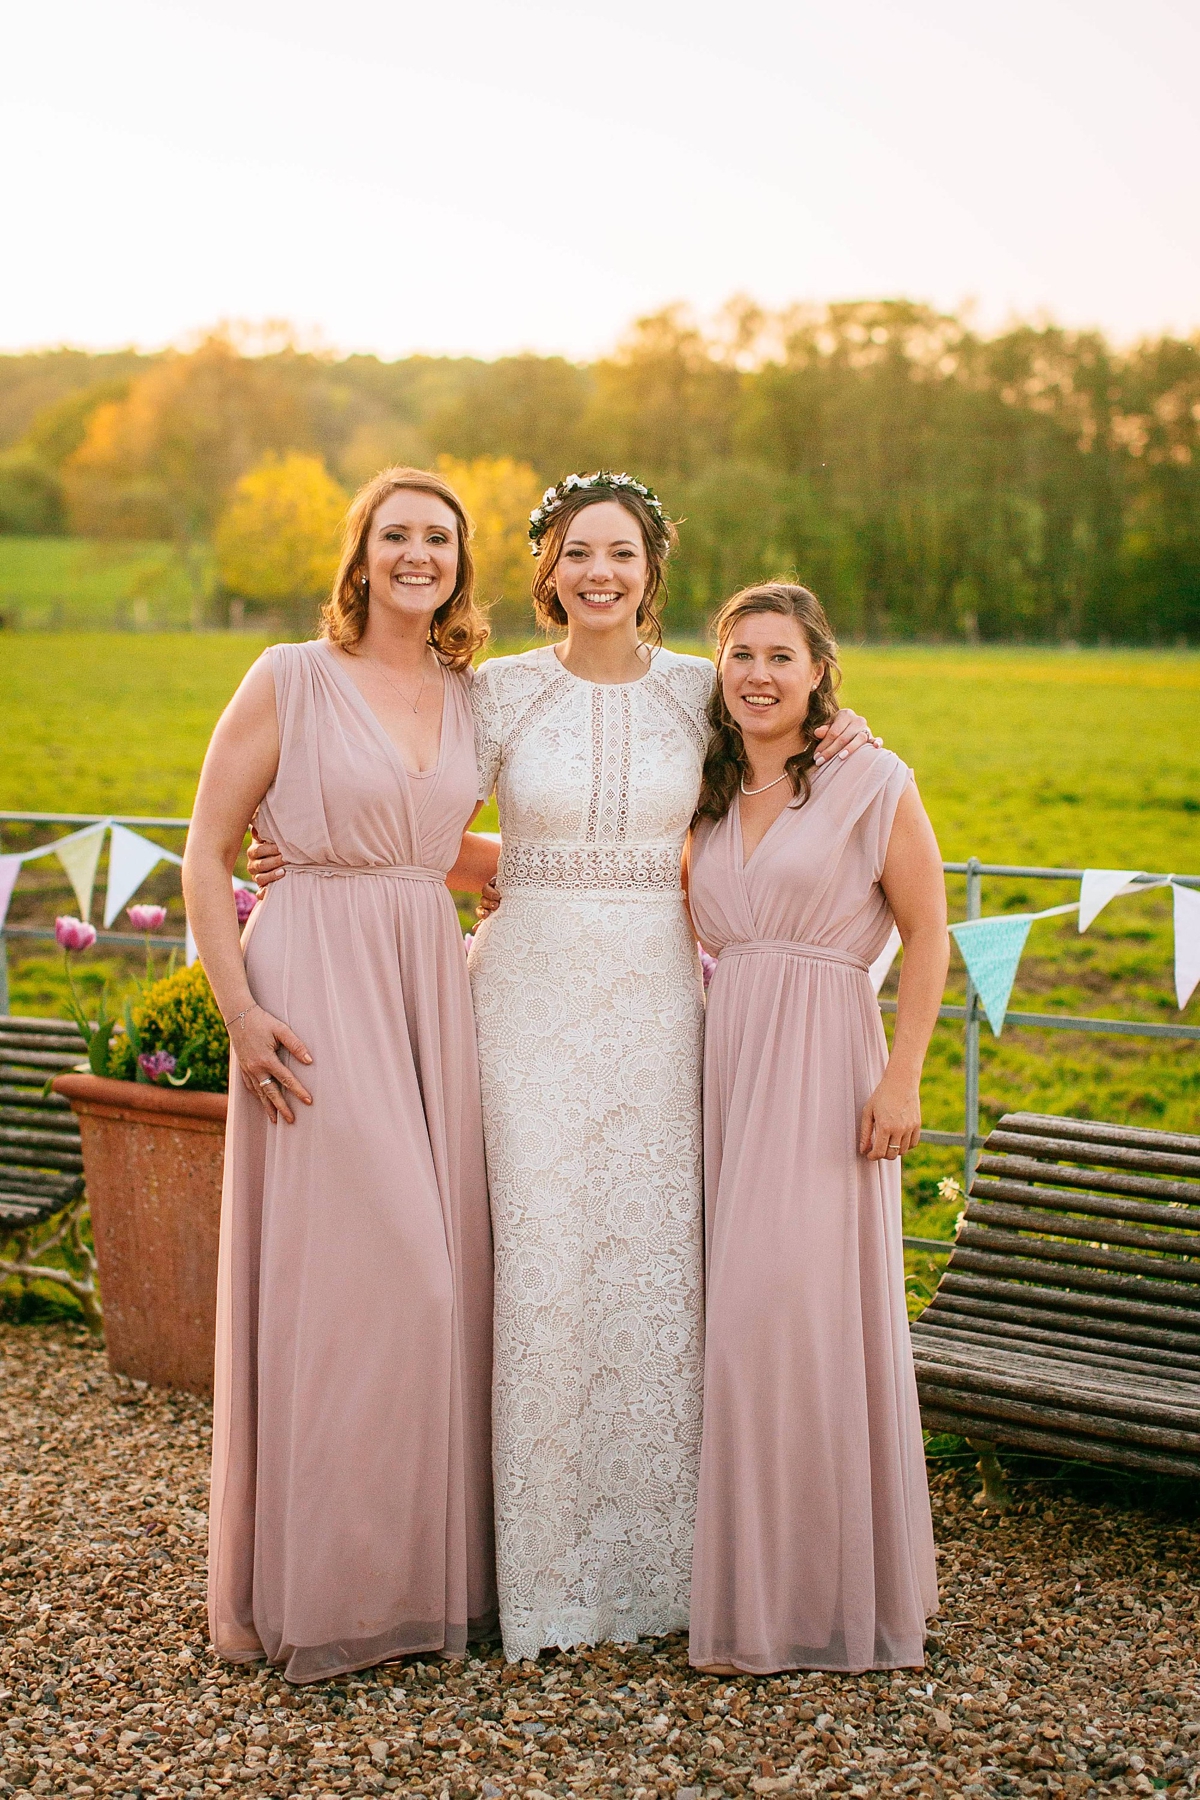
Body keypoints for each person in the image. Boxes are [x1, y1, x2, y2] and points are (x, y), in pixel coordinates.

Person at [467, 474, 878, 1663]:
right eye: (578, 553)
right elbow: (415, 808)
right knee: (541, 1264)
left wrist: (856, 736)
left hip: (655, 999)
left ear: (653, 572)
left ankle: (663, 1572)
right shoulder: (495, 693)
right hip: (526, 996)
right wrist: (316, 843)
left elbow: (808, 745)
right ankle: (541, 1581)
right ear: (548, 569)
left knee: (655, 1264)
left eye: (623, 554)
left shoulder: (703, 691)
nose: (601, 573)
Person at [183, 466, 500, 1684]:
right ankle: (319, 1590)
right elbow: (210, 849)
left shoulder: (477, 695)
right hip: (311, 986)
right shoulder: (286, 677)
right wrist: (241, 1010)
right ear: (359, 554)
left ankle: (413, 1588)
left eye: (440, 537)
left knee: (440, 1287)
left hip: (428, 979)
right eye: (397, 534)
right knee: (384, 1284)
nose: (419, 553)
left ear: (459, 565)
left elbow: (445, 842)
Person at [684, 582, 947, 1676]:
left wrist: (903, 1078)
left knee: (789, 1321)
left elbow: (929, 937)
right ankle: (744, 1582)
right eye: (739, 654)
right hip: (724, 1066)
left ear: (817, 670)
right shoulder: (699, 792)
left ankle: (824, 1596)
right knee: (730, 1327)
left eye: (779, 656)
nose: (757, 674)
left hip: (827, 1069)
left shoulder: (871, 779)